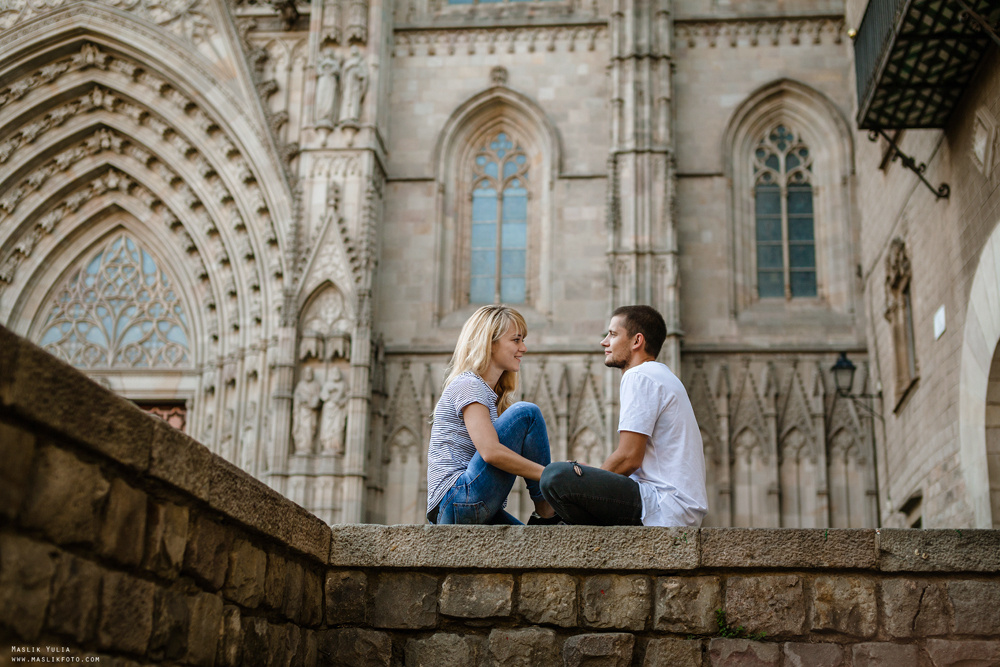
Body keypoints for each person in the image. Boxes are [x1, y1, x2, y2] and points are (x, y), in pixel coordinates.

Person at [540, 305, 708, 527]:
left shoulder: (640, 375)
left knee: (555, 477)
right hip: (675, 508)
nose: (604, 342)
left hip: (663, 507)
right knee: (565, 483)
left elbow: (629, 457)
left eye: (613, 334)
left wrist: (587, 481)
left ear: (637, 341)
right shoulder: (662, 375)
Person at [426, 305, 558, 525]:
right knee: (527, 414)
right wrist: (550, 476)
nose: (523, 348)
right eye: (516, 340)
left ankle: (546, 514)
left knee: (532, 551)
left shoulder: (489, 395)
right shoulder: (469, 384)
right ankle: (546, 510)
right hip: (458, 497)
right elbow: (490, 452)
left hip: (461, 506)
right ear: (490, 342)